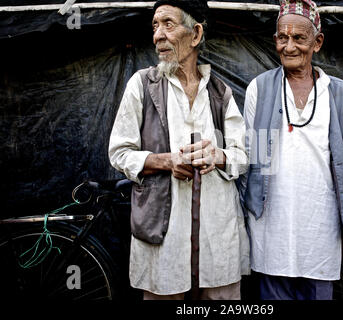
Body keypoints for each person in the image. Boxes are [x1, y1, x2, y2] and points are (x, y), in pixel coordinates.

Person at [108, 0, 249, 300]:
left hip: (217, 234)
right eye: (155, 26)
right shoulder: (142, 85)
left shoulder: (220, 92)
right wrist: (166, 161)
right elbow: (119, 152)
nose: (158, 35)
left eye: (168, 24)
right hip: (165, 236)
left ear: (195, 34)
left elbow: (243, 154)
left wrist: (218, 156)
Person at [240, 0, 343, 300]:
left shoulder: (340, 94)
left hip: (321, 226)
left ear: (317, 42)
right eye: (282, 37)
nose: (289, 46)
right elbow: (250, 157)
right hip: (270, 226)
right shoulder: (261, 88)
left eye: (299, 38)